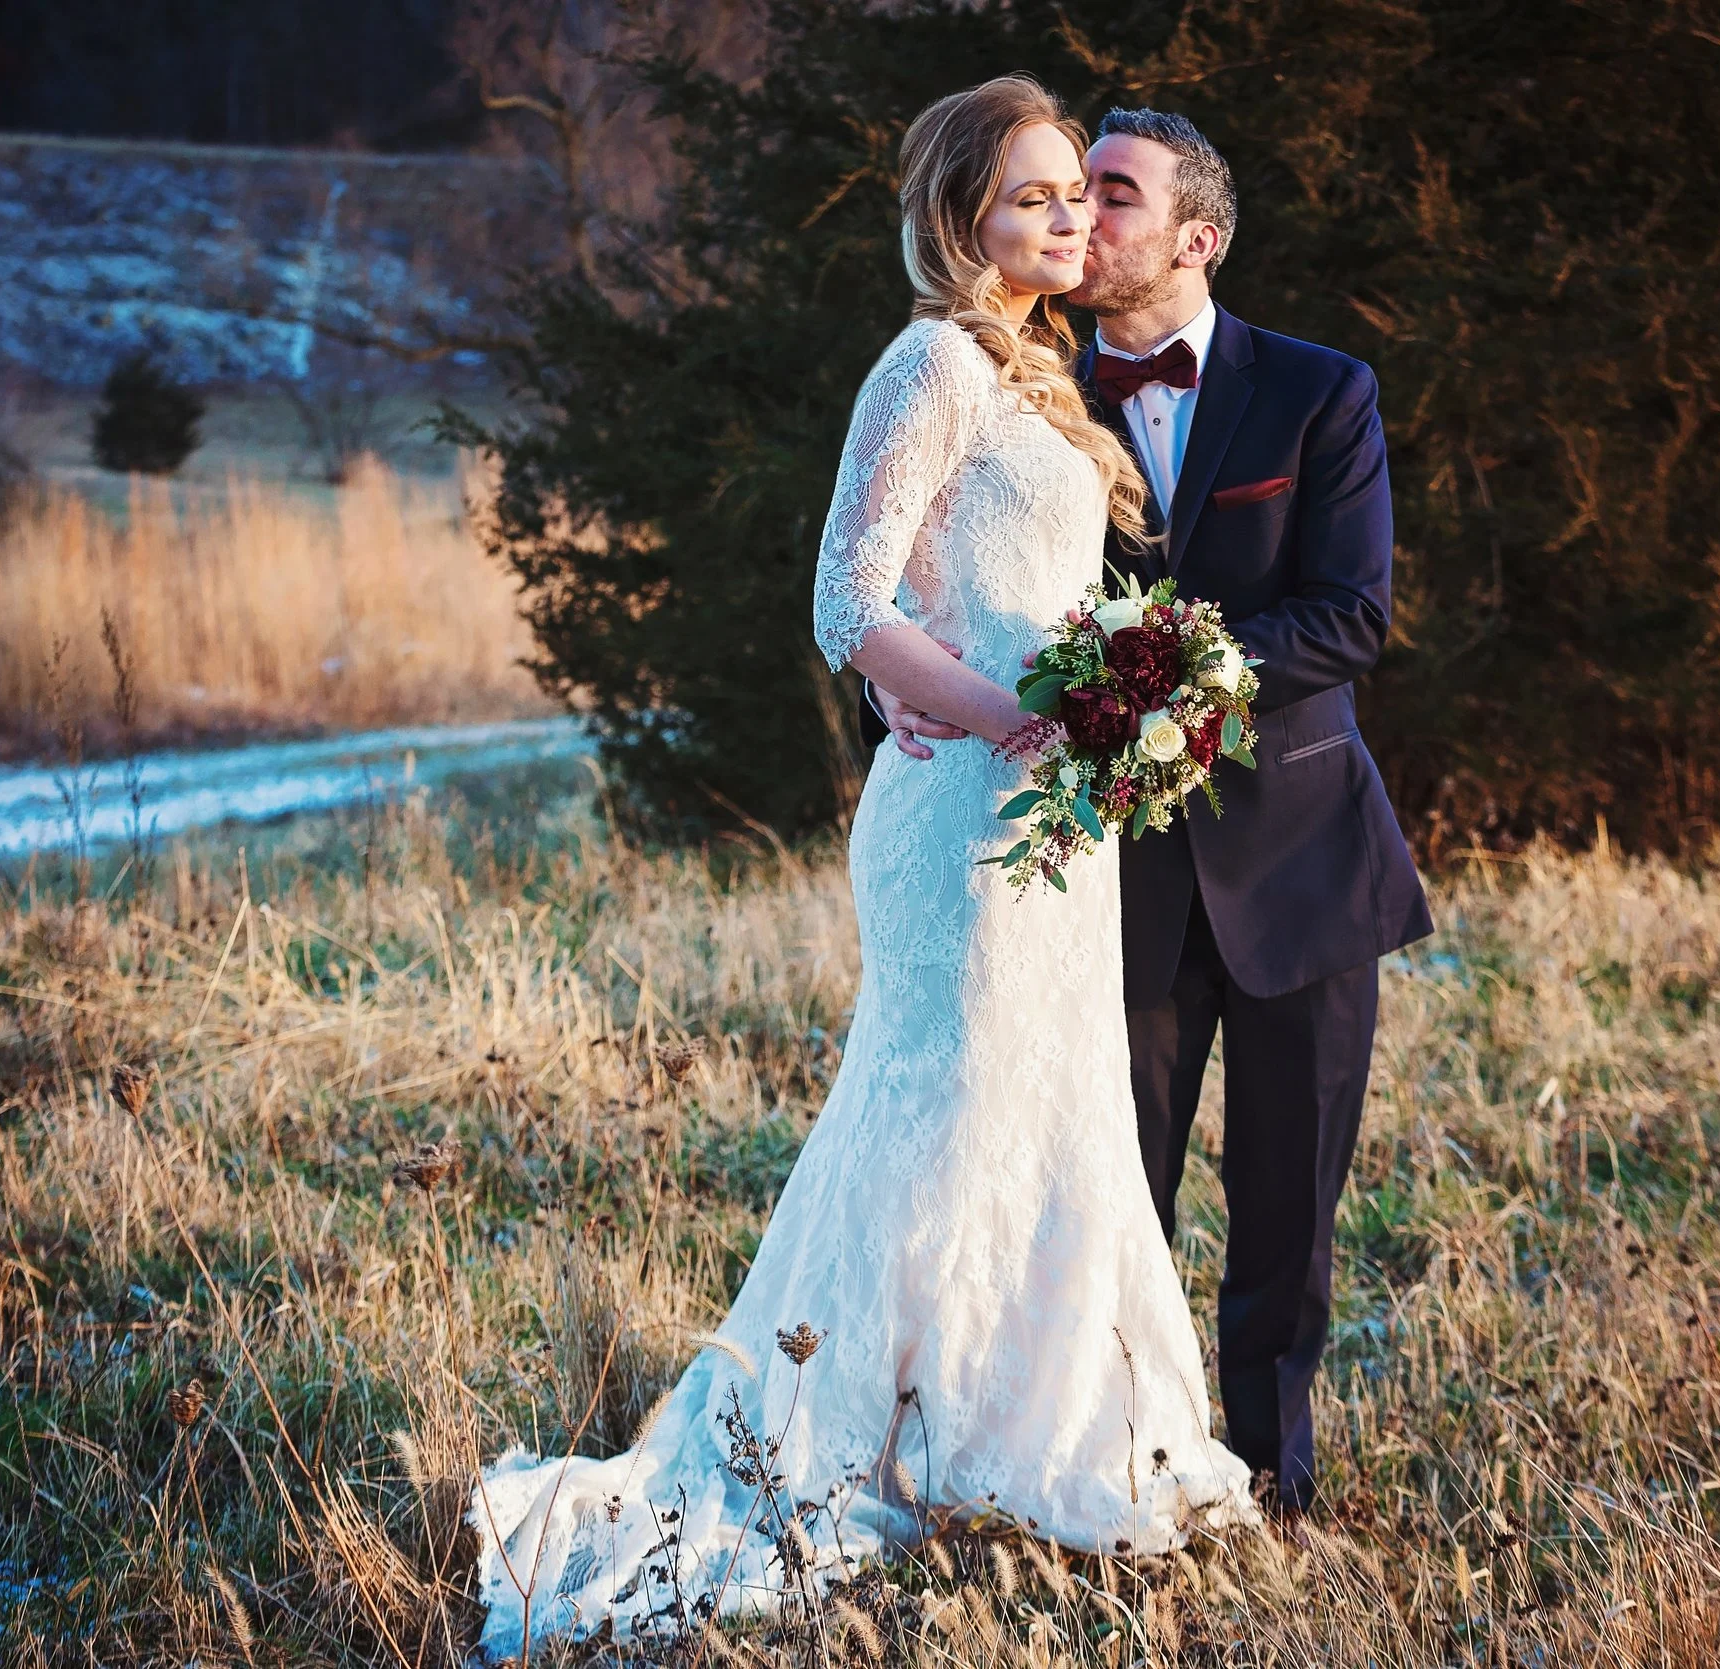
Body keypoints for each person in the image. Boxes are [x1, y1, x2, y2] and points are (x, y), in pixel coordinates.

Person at [470, 77, 1254, 1658]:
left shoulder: (1034, 375)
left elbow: (976, 588)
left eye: (1075, 198)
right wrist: (1014, 713)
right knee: (943, 1103)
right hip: (961, 812)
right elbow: (849, 603)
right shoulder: (932, 363)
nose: (1064, 222)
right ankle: (862, 1445)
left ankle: (1030, 1444)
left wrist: (1111, 707)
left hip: (1054, 818)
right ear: (964, 216)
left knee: (1054, 1107)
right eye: (1032, 198)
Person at [867, 108, 1434, 1519]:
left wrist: (1173, 677)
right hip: (1098, 873)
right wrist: (901, 690)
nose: (1079, 218)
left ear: (1196, 236)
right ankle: (1111, 1464)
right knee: (1106, 1193)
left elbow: (1352, 615)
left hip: (1303, 861)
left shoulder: (1319, 391)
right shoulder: (1020, 387)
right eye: (1059, 193)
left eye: (1110, 194)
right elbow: (922, 575)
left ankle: (1280, 1485)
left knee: (1290, 1211)